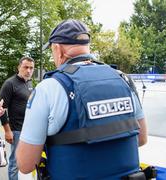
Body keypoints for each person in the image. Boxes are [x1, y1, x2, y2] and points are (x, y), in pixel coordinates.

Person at [16, 19, 148, 179]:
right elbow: (141, 139)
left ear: (58, 49)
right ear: (87, 46)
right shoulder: (123, 79)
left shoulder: (49, 88)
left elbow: (26, 164)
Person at [0, 57, 34, 180]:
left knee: (28, 160)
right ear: (19, 67)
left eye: (31, 68)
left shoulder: (29, 83)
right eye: (26, 67)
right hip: (17, 130)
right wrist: (7, 131)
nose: (28, 70)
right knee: (15, 162)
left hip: (29, 129)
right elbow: (1, 109)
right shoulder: (10, 84)